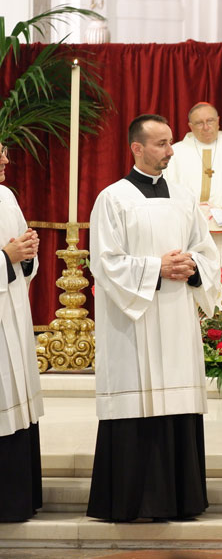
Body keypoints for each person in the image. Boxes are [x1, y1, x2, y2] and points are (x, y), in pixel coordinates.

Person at [87, 114, 220, 522]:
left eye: (169, 143)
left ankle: (181, 500)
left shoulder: (183, 197)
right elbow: (105, 264)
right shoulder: (113, 198)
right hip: (134, 324)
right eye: (161, 144)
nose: (170, 150)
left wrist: (193, 267)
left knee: (177, 403)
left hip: (177, 318)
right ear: (137, 149)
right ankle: (130, 501)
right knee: (137, 405)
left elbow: (206, 251)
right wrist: (155, 269)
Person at [163, 102, 222, 269]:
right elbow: (168, 189)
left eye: (210, 121)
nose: (206, 127)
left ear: (218, 121)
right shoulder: (177, 152)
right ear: (190, 126)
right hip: (192, 223)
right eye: (199, 123)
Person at [0, 141, 42, 522]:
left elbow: (20, 259)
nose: (5, 159)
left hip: (11, 313)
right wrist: (5, 258)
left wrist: (28, 254)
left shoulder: (6, 196)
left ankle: (17, 500)